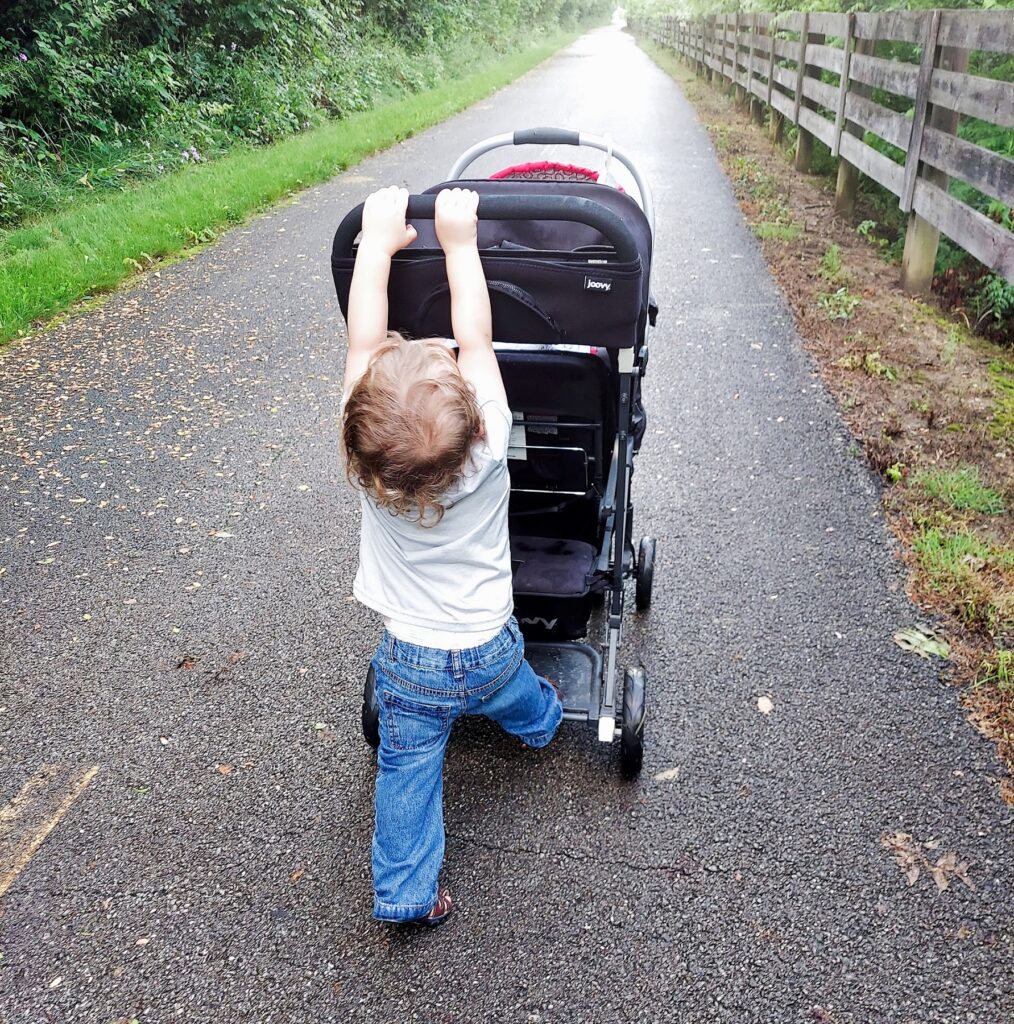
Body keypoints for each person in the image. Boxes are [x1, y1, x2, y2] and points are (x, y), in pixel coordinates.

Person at [341, 186, 563, 926]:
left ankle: (407, 895)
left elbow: (362, 343)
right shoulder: (492, 447)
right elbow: (477, 339)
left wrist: (376, 245)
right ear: (471, 421)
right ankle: (540, 726)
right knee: (519, 695)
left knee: (406, 774)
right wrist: (460, 243)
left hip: (410, 665)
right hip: (491, 647)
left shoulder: (370, 471)